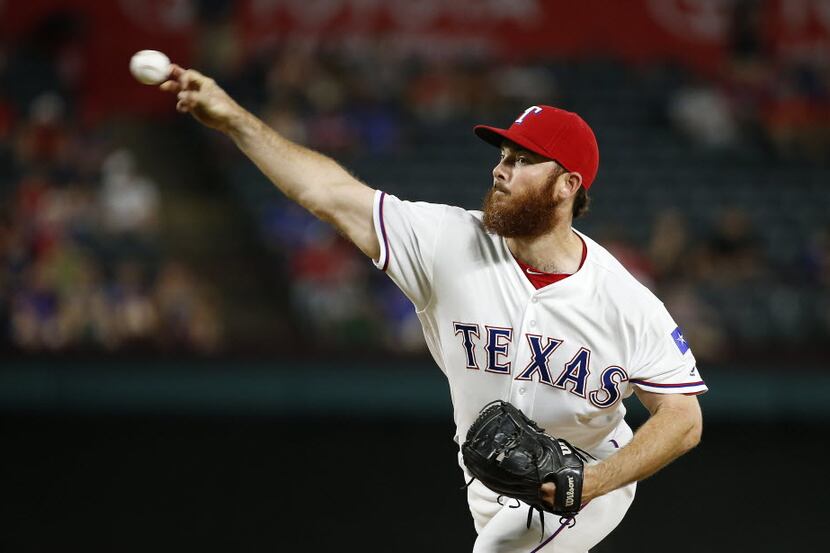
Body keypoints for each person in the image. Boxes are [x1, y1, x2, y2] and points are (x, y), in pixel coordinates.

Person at [160, 65, 706, 552]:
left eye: (521, 160)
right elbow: (326, 192)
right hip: (490, 489)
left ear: (567, 185)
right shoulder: (446, 242)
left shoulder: (623, 301)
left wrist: (593, 483)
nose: (501, 170)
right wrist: (233, 118)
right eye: (501, 156)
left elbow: (683, 419)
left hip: (588, 478)